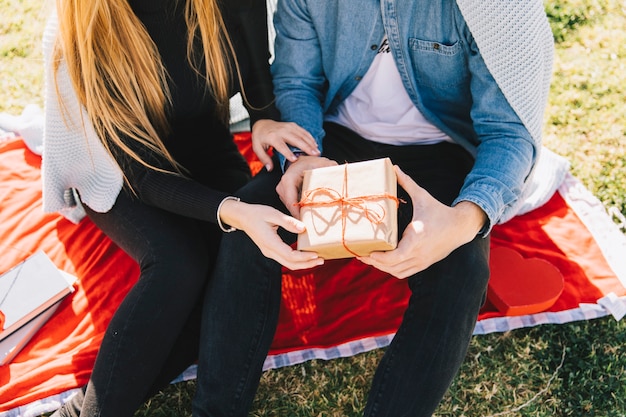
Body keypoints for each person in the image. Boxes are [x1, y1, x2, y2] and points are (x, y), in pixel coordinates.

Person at [202, 0, 555, 415]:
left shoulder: (498, 7)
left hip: (440, 150)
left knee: (462, 270)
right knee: (250, 226)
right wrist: (302, 157)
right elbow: (298, 83)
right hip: (330, 141)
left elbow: (509, 132)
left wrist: (467, 217)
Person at [41, 0, 323, 416]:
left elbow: (253, 63)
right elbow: (141, 175)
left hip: (204, 147)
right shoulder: (82, 24)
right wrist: (231, 209)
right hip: (114, 168)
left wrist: (262, 118)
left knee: (230, 283)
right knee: (180, 263)